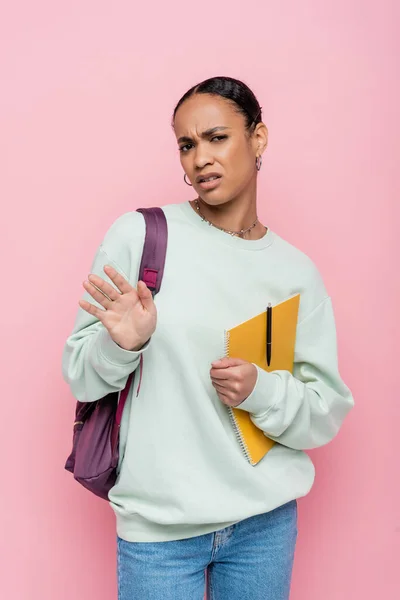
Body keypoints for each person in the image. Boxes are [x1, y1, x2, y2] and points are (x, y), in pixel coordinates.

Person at [62, 76, 354, 600]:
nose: (200, 158)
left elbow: (325, 410)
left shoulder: (295, 273)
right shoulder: (141, 235)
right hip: (160, 531)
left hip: (264, 525)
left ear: (258, 139)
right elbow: (81, 377)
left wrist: (262, 391)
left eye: (217, 137)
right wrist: (123, 345)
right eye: (187, 144)